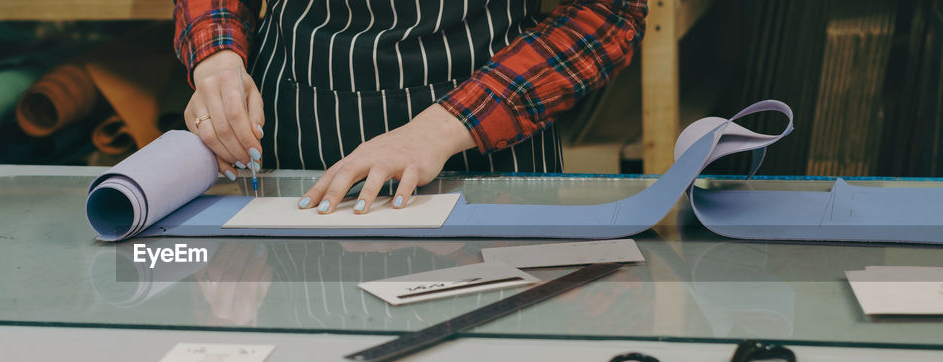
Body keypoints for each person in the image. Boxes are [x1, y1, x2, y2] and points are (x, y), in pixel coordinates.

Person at [175, 0, 647, 214]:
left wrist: (441, 130)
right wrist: (216, 59)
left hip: (488, 139)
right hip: (298, 119)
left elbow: (607, 14)